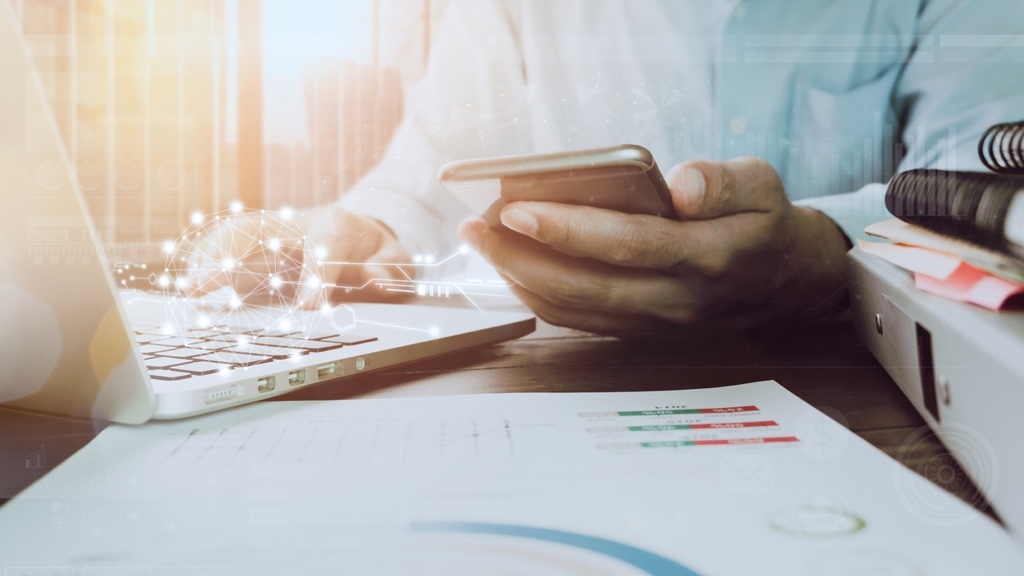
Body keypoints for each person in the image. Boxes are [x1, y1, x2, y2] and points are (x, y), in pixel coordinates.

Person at [203, 0, 1024, 338]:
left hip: (867, 393)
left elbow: (988, 201)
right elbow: (422, 179)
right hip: (568, 382)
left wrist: (824, 247)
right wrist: (366, 228)